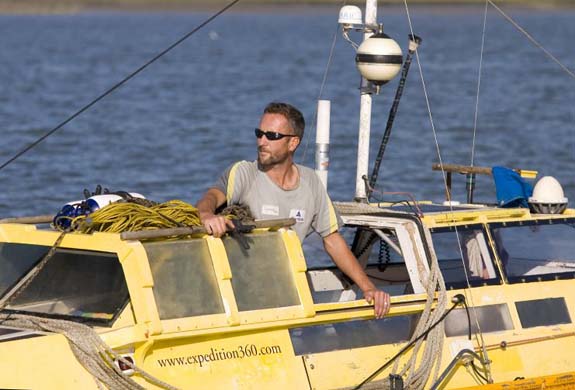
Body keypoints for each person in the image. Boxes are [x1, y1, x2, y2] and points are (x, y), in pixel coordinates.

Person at [196, 102, 390, 319]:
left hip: (287, 293)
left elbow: (332, 239)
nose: (262, 142)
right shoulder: (243, 173)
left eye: (272, 135)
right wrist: (206, 214)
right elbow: (211, 196)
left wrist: (368, 287)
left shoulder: (311, 182)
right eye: (259, 133)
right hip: (242, 294)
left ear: (293, 143)